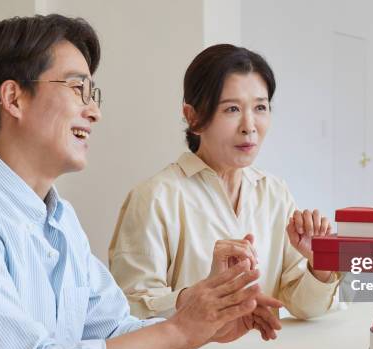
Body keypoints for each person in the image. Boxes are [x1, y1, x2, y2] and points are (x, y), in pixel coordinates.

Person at [0, 15, 280, 349]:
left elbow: (116, 330)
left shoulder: (60, 218)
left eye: (93, 95)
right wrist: (179, 330)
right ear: (14, 98)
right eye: (77, 89)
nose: (94, 112)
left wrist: (204, 326)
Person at [109, 44, 340, 321]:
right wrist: (203, 297)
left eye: (260, 107)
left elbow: (305, 308)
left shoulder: (274, 192)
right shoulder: (155, 196)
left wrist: (319, 263)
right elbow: (131, 311)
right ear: (193, 117)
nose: (249, 126)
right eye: (232, 109)